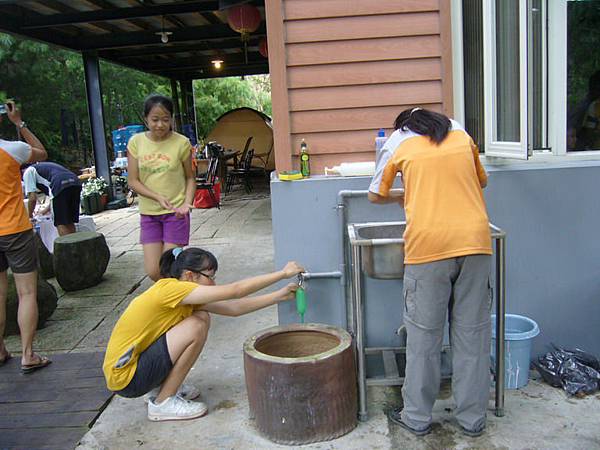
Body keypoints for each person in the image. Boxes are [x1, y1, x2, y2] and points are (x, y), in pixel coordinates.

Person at [368, 108, 492, 437]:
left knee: (424, 337)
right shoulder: (462, 134)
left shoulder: (398, 141)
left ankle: (416, 418)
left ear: (403, 125)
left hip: (428, 248)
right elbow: (481, 180)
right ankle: (472, 420)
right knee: (472, 335)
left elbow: (375, 193)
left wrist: (404, 193)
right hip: (476, 243)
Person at [102, 247, 303, 422]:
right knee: (195, 326)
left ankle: (162, 390)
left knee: (200, 317)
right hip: (128, 378)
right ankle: (163, 403)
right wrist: (283, 274)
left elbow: (234, 308)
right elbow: (236, 291)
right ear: (190, 275)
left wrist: (278, 296)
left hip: (137, 369)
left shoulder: (185, 295)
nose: (214, 283)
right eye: (210, 276)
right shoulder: (172, 289)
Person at [0, 100, 52, 373]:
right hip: (14, 229)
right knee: (26, 292)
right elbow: (42, 153)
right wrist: (19, 123)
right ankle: (28, 354)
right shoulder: (13, 149)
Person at [127, 94, 196, 281]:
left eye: (165, 119)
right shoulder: (136, 142)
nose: (160, 124)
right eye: (155, 119)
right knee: (153, 272)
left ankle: (181, 304)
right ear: (146, 118)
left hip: (176, 213)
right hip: (149, 215)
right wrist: (156, 196)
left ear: (172, 119)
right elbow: (132, 181)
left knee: (170, 269)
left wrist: (186, 204)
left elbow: (190, 178)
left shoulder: (181, 143)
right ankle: (179, 296)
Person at [22, 162, 82, 236]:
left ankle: (67, 246)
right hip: (75, 182)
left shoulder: (28, 172)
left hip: (59, 184)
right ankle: (75, 245)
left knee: (61, 222)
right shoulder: (43, 167)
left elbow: (32, 198)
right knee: (69, 221)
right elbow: (56, 198)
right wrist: (44, 211)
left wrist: (30, 216)